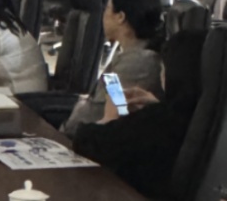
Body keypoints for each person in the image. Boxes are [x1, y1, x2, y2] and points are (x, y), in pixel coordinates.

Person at [73, 31, 206, 199]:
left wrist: (109, 117)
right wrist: (158, 104)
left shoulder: (159, 122)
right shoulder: (205, 117)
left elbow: (87, 142)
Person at [61, 0, 164, 136]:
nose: (103, 15)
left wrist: (79, 109)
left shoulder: (137, 63)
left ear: (120, 17)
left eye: (107, 9)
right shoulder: (129, 54)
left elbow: (101, 111)